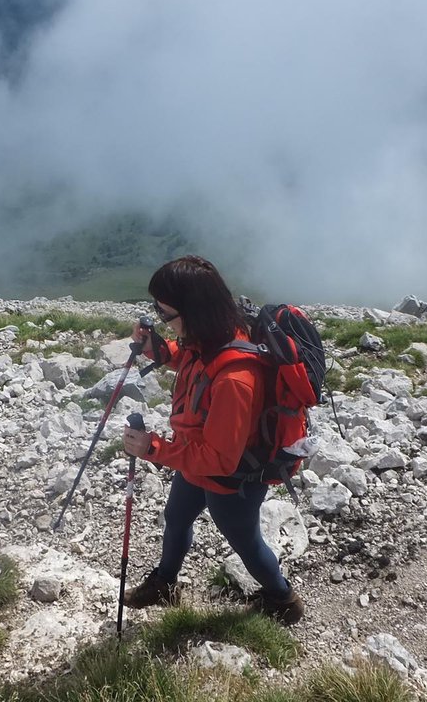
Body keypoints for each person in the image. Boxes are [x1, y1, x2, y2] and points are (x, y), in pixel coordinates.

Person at [119, 255, 304, 626]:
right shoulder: (213, 334)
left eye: (165, 313)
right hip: (193, 457)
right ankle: (165, 583)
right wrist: (158, 348)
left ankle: (282, 599)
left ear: (194, 310)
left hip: (233, 478)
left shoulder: (236, 379)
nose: (159, 318)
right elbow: (192, 359)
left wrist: (153, 448)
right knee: (176, 517)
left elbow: (220, 459)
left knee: (245, 541)